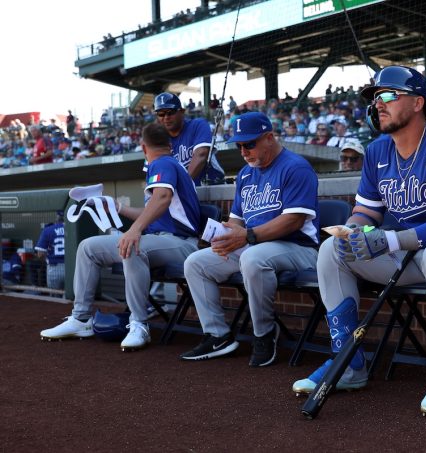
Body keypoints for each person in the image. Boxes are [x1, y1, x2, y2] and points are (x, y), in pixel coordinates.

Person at [291, 66, 426, 414]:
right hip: (413, 254)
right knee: (333, 249)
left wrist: (388, 240)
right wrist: (354, 230)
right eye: (375, 98)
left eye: (389, 95)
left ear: (418, 102)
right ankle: (348, 364)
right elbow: (367, 211)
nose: (378, 103)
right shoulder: (377, 151)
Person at [40, 123, 201, 350]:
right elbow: (153, 210)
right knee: (87, 247)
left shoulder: (163, 163)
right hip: (161, 240)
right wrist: (116, 207)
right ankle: (81, 318)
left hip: (183, 244)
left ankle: (139, 323)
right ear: (170, 144)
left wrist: (134, 230)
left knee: (133, 246)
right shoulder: (168, 163)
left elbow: (163, 197)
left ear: (143, 147)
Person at [180, 112, 319, 365]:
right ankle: (217, 335)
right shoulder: (245, 174)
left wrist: (247, 236)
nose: (244, 151)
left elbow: (294, 220)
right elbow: (237, 221)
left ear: (269, 137)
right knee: (196, 263)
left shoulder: (295, 167)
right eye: (239, 146)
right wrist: (225, 235)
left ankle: (264, 333)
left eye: (249, 144)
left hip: (298, 247)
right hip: (255, 244)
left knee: (253, 258)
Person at [153, 92, 225, 185]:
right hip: (182, 192)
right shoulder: (159, 140)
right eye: (161, 114)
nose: (166, 117)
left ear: (182, 111)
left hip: (211, 187)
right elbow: (154, 173)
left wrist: (181, 187)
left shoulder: (197, 125)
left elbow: (201, 155)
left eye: (170, 112)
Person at [35, 211, 66, 290]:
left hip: (54, 268)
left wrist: (47, 258)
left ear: (57, 217)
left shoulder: (48, 230)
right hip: (71, 268)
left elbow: (40, 254)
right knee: (71, 295)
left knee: (54, 295)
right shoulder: (73, 229)